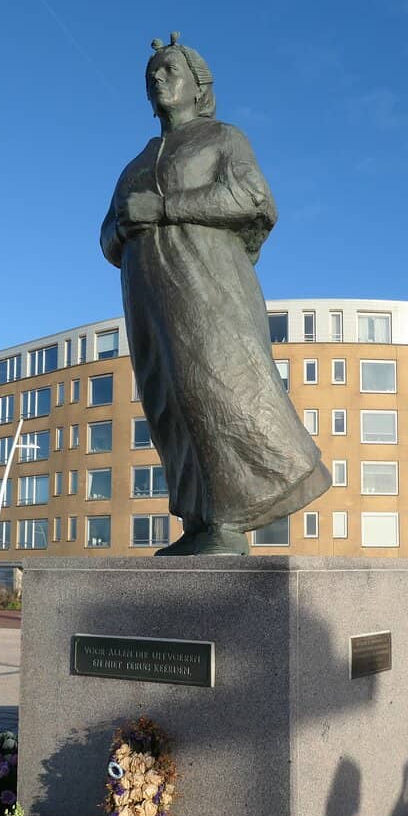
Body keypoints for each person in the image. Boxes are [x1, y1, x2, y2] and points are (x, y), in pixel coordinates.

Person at [100, 33, 330, 555]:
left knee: (217, 390)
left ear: (198, 86)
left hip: (208, 286)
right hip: (147, 295)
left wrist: (161, 209)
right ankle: (200, 522)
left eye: (169, 70)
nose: (157, 79)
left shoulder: (223, 138)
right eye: (150, 74)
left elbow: (252, 198)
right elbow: (107, 235)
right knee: (169, 402)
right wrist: (122, 227)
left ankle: (231, 519)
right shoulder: (136, 163)